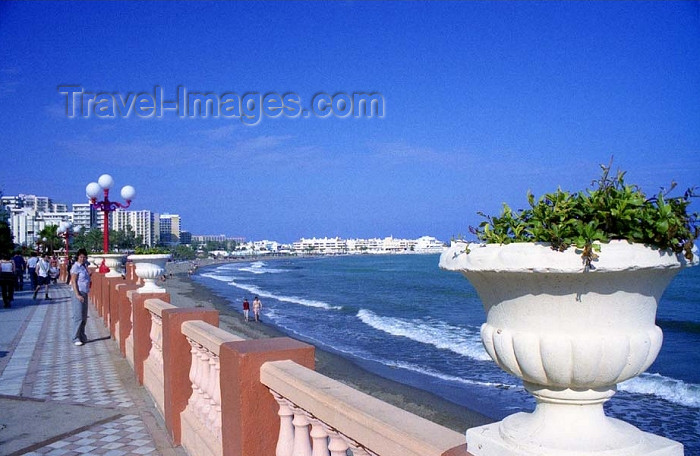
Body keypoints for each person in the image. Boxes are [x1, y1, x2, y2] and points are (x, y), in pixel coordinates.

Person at [70, 248, 91, 346]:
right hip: (78, 292)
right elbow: (73, 281)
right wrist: (77, 294)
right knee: (78, 316)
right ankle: (75, 337)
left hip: (85, 292)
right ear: (77, 257)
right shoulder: (75, 267)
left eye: (84, 257)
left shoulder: (83, 267)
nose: (82, 258)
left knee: (84, 316)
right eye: (81, 257)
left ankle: (82, 335)